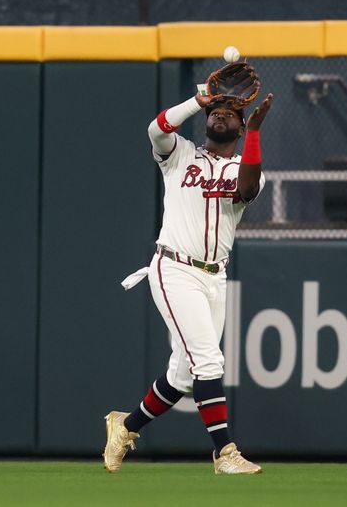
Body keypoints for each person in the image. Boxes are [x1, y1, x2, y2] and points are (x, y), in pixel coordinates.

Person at [104, 83, 274, 475]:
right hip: (174, 268)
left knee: (182, 375)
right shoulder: (179, 155)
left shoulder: (244, 168)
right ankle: (225, 453)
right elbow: (157, 129)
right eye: (216, 109)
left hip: (215, 277)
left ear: (241, 126)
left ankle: (125, 427)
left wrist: (258, 133)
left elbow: (247, 189)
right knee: (209, 360)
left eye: (231, 111)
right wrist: (198, 99)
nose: (220, 113)